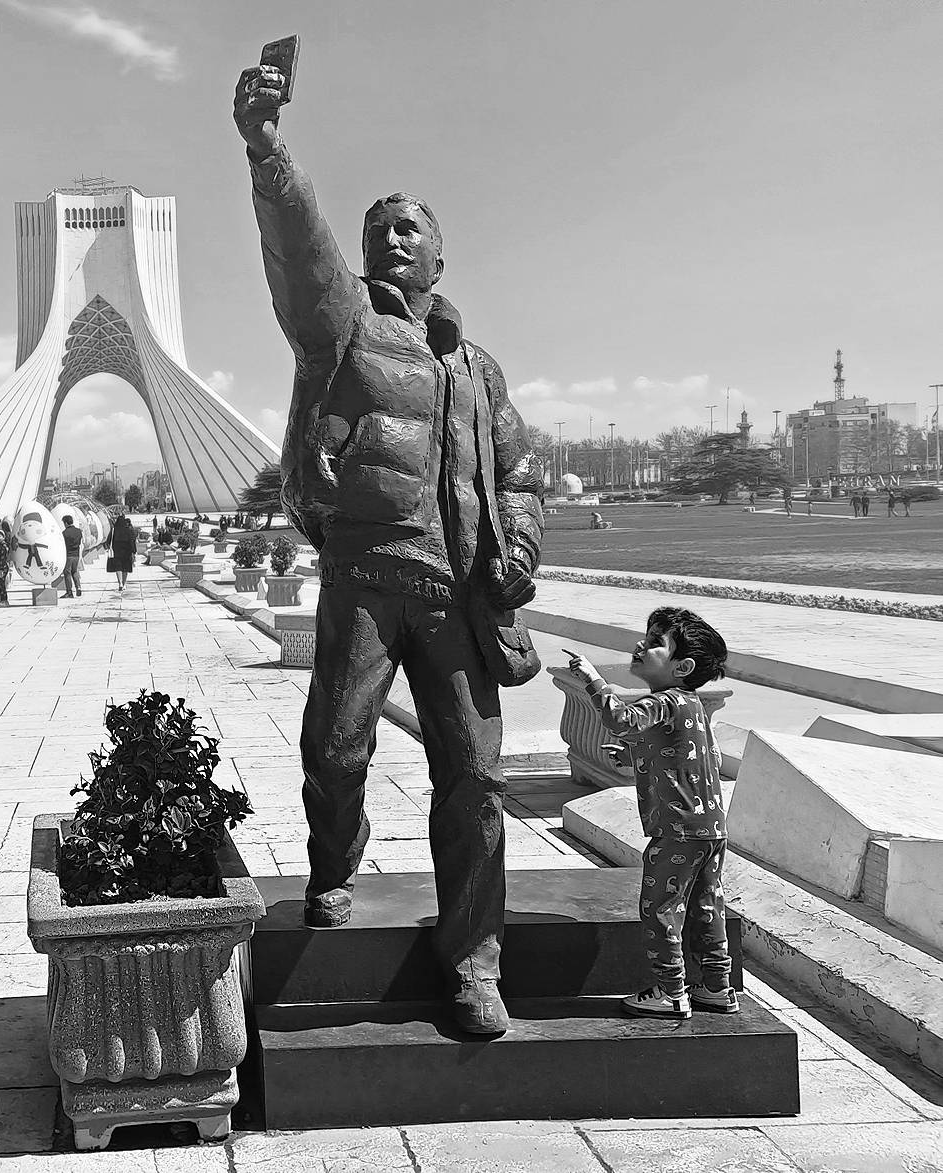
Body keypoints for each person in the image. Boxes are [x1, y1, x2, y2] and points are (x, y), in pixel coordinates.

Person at [237, 59, 545, 1036]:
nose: (391, 237)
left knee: (477, 777)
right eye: (379, 229)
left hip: (457, 596)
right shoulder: (344, 327)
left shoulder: (479, 370)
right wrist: (269, 152)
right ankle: (334, 864)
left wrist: (519, 547)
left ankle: (475, 963)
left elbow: (520, 474)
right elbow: (301, 252)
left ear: (440, 259)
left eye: (410, 228)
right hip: (366, 580)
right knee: (335, 752)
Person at [565, 607, 732, 1020]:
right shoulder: (691, 704)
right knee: (706, 907)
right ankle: (717, 987)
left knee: (660, 910)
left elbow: (620, 719)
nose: (641, 644)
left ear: (682, 667)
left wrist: (592, 678)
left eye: (656, 642)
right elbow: (680, 752)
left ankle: (671, 992)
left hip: (677, 831)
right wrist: (634, 755)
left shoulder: (665, 700)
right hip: (710, 829)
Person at [110, 513, 136, 590]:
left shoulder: (114, 530)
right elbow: (131, 541)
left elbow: (109, 540)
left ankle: (120, 583)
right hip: (127, 552)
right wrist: (133, 551)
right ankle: (124, 584)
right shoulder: (128, 530)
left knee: (118, 568)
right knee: (125, 568)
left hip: (117, 552)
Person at [61, 513, 84, 597]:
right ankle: (78, 587)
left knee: (67, 572)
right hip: (76, 555)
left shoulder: (64, 533)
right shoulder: (79, 531)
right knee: (74, 571)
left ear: (66, 523)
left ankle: (69, 592)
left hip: (68, 555)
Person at [0, 521, 14, 605]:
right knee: (0, 585)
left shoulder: (3, 547)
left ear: (3, 537)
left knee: (2, 585)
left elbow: (3, 559)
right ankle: (2, 600)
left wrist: (1, 570)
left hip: (2, 568)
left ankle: (4, 601)